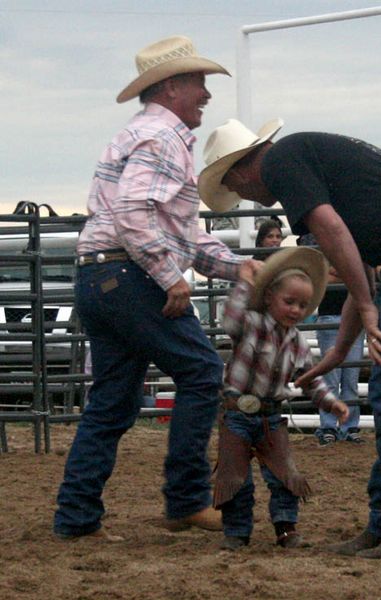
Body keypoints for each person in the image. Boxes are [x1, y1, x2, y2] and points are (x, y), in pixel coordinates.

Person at [198, 118, 381, 560]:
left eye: (235, 187)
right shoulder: (304, 157)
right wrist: (341, 350)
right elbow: (357, 262)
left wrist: (366, 306)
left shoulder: (284, 161)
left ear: (241, 171)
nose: (243, 195)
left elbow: (332, 232)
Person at [53, 36, 257, 541]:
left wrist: (237, 267)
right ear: (172, 87)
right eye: (198, 84)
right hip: (129, 276)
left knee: (112, 402)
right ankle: (186, 499)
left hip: (101, 275)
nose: (206, 95)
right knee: (201, 369)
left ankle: (76, 517)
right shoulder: (163, 139)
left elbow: (175, 229)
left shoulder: (140, 134)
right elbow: (135, 214)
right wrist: (170, 277)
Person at [214, 247, 349, 550]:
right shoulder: (250, 323)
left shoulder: (299, 342)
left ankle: (286, 527)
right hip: (237, 412)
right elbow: (230, 320)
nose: (295, 310)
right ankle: (236, 531)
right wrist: (245, 283)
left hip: (271, 415)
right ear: (269, 298)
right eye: (289, 302)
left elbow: (310, 380)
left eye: (302, 305)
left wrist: (331, 402)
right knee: (235, 476)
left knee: (284, 475)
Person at [315, 265, 365, 446]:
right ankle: (339, 427)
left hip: (339, 317)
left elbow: (325, 278)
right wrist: (349, 275)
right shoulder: (349, 252)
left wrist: (336, 273)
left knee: (347, 378)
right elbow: (358, 278)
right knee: (336, 379)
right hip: (342, 317)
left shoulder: (327, 252)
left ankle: (336, 427)